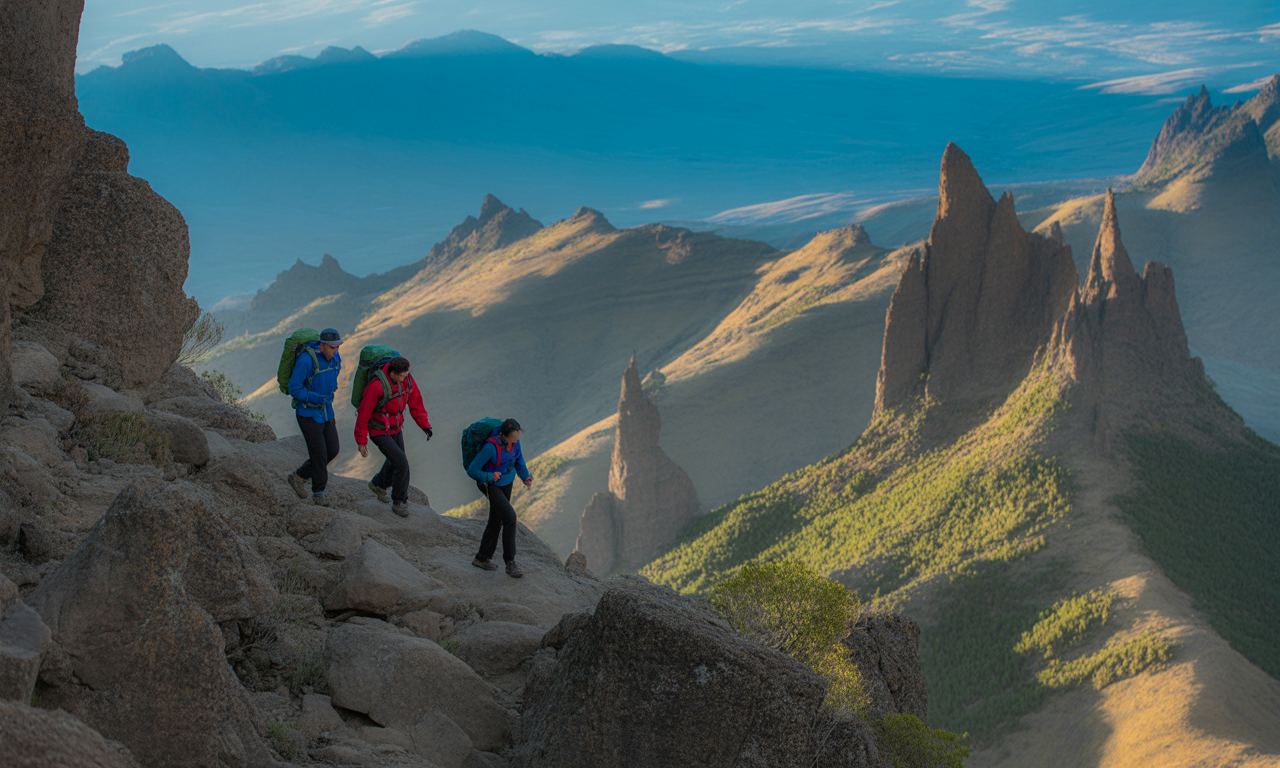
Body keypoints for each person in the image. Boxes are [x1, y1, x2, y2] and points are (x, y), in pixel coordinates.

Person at [354, 356, 433, 517]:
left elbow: (415, 401)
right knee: (401, 462)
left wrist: (424, 425)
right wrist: (362, 441)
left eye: (406, 374)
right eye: (402, 375)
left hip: (396, 428)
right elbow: (363, 414)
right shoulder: (376, 387)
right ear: (393, 373)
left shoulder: (407, 380)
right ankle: (399, 501)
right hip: (379, 430)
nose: (406, 377)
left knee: (395, 459)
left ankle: (378, 484)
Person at [467, 418, 532, 578]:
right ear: (504, 435)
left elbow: (519, 462)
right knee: (510, 518)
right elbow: (472, 470)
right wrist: (490, 475)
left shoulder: (515, 444)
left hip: (507, 482)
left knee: (496, 520)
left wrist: (525, 477)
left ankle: (482, 558)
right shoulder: (490, 447)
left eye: (518, 438)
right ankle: (510, 563)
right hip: (491, 485)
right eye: (514, 438)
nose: (516, 441)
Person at [286, 328, 343, 506]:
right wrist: (315, 397)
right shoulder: (306, 360)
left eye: (338, 346)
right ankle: (318, 493)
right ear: (323, 345)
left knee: (332, 450)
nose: (336, 350)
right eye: (332, 347)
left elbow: (333, 376)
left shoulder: (335, 358)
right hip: (307, 413)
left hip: (326, 411)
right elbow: (294, 388)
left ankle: (299, 476)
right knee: (319, 454)